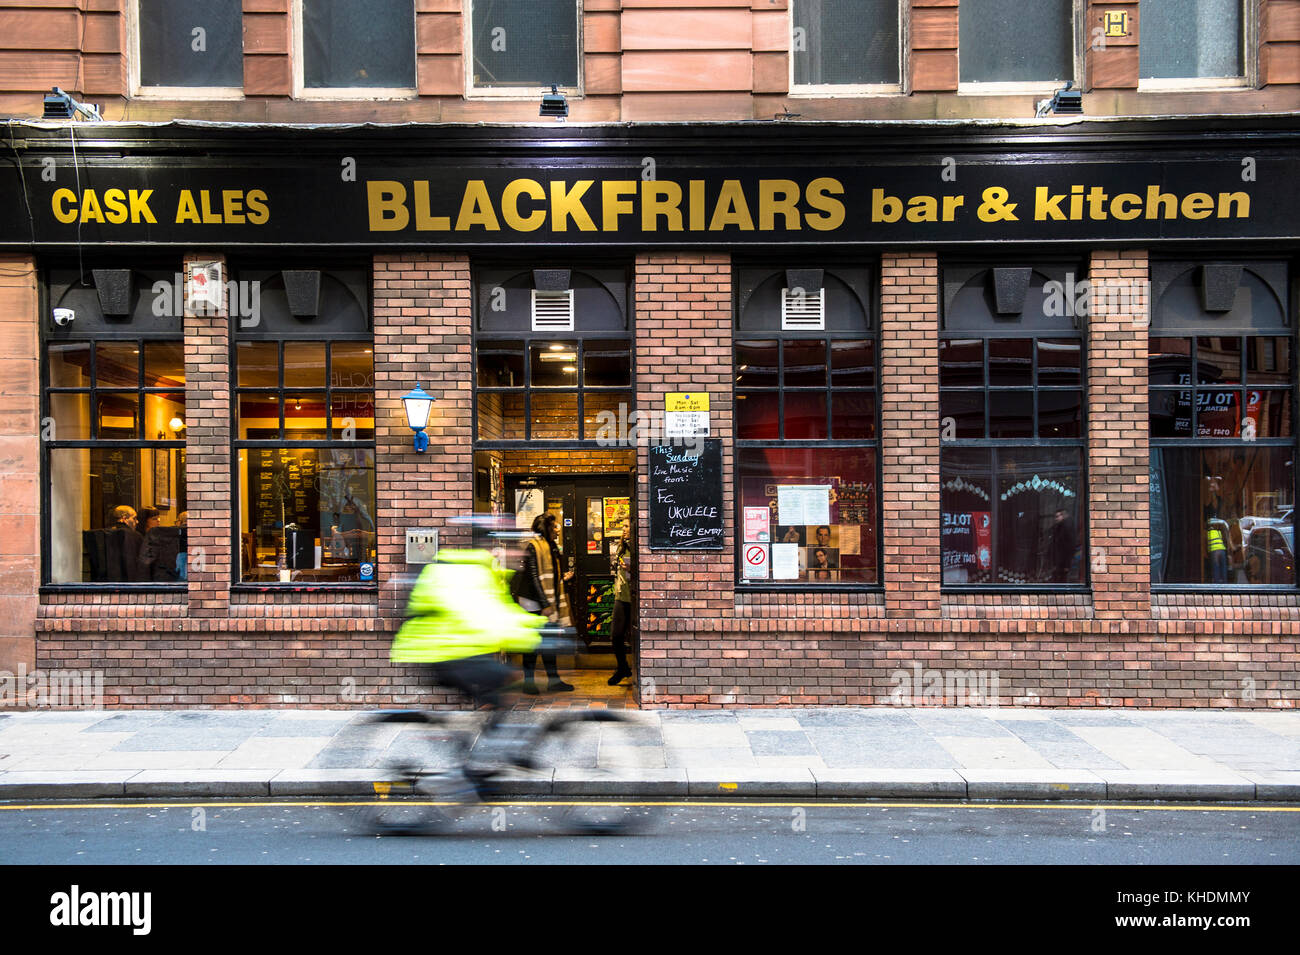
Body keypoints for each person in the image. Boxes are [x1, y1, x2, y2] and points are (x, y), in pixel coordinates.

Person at [390, 546, 544, 721]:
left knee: (496, 687)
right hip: (445, 653)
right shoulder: (465, 574)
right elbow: (477, 617)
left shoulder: (480, 572)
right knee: (506, 677)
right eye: (513, 550)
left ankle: (488, 729)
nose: (519, 555)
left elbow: (502, 612)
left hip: (458, 649)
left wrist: (535, 627)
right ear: (495, 551)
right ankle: (489, 737)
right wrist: (531, 637)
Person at [517, 514, 575, 694]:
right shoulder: (533, 546)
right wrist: (545, 604)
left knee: (548, 642)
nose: (557, 529)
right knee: (532, 645)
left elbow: (550, 573)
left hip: (545, 600)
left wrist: (561, 580)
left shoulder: (550, 545)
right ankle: (529, 683)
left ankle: (553, 680)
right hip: (532, 603)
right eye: (554, 526)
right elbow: (534, 577)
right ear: (546, 528)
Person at [608, 524, 635, 686]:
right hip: (621, 597)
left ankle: (637, 669)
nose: (625, 529)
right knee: (616, 636)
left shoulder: (638, 546)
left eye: (627, 526)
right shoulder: (622, 548)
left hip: (634, 599)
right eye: (624, 526)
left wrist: (632, 569)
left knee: (635, 637)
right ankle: (623, 667)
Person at [104, 505, 144, 582]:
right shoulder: (135, 536)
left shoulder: (105, 534)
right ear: (124, 518)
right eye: (134, 518)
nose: (137, 522)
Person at [1047, 508, 1077, 583]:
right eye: (1055, 517)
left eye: (1057, 517)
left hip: (1063, 561)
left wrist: (1067, 563)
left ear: (1063, 516)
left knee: (1063, 579)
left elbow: (1069, 545)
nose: (1055, 519)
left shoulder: (1066, 527)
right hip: (1059, 560)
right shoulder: (1058, 527)